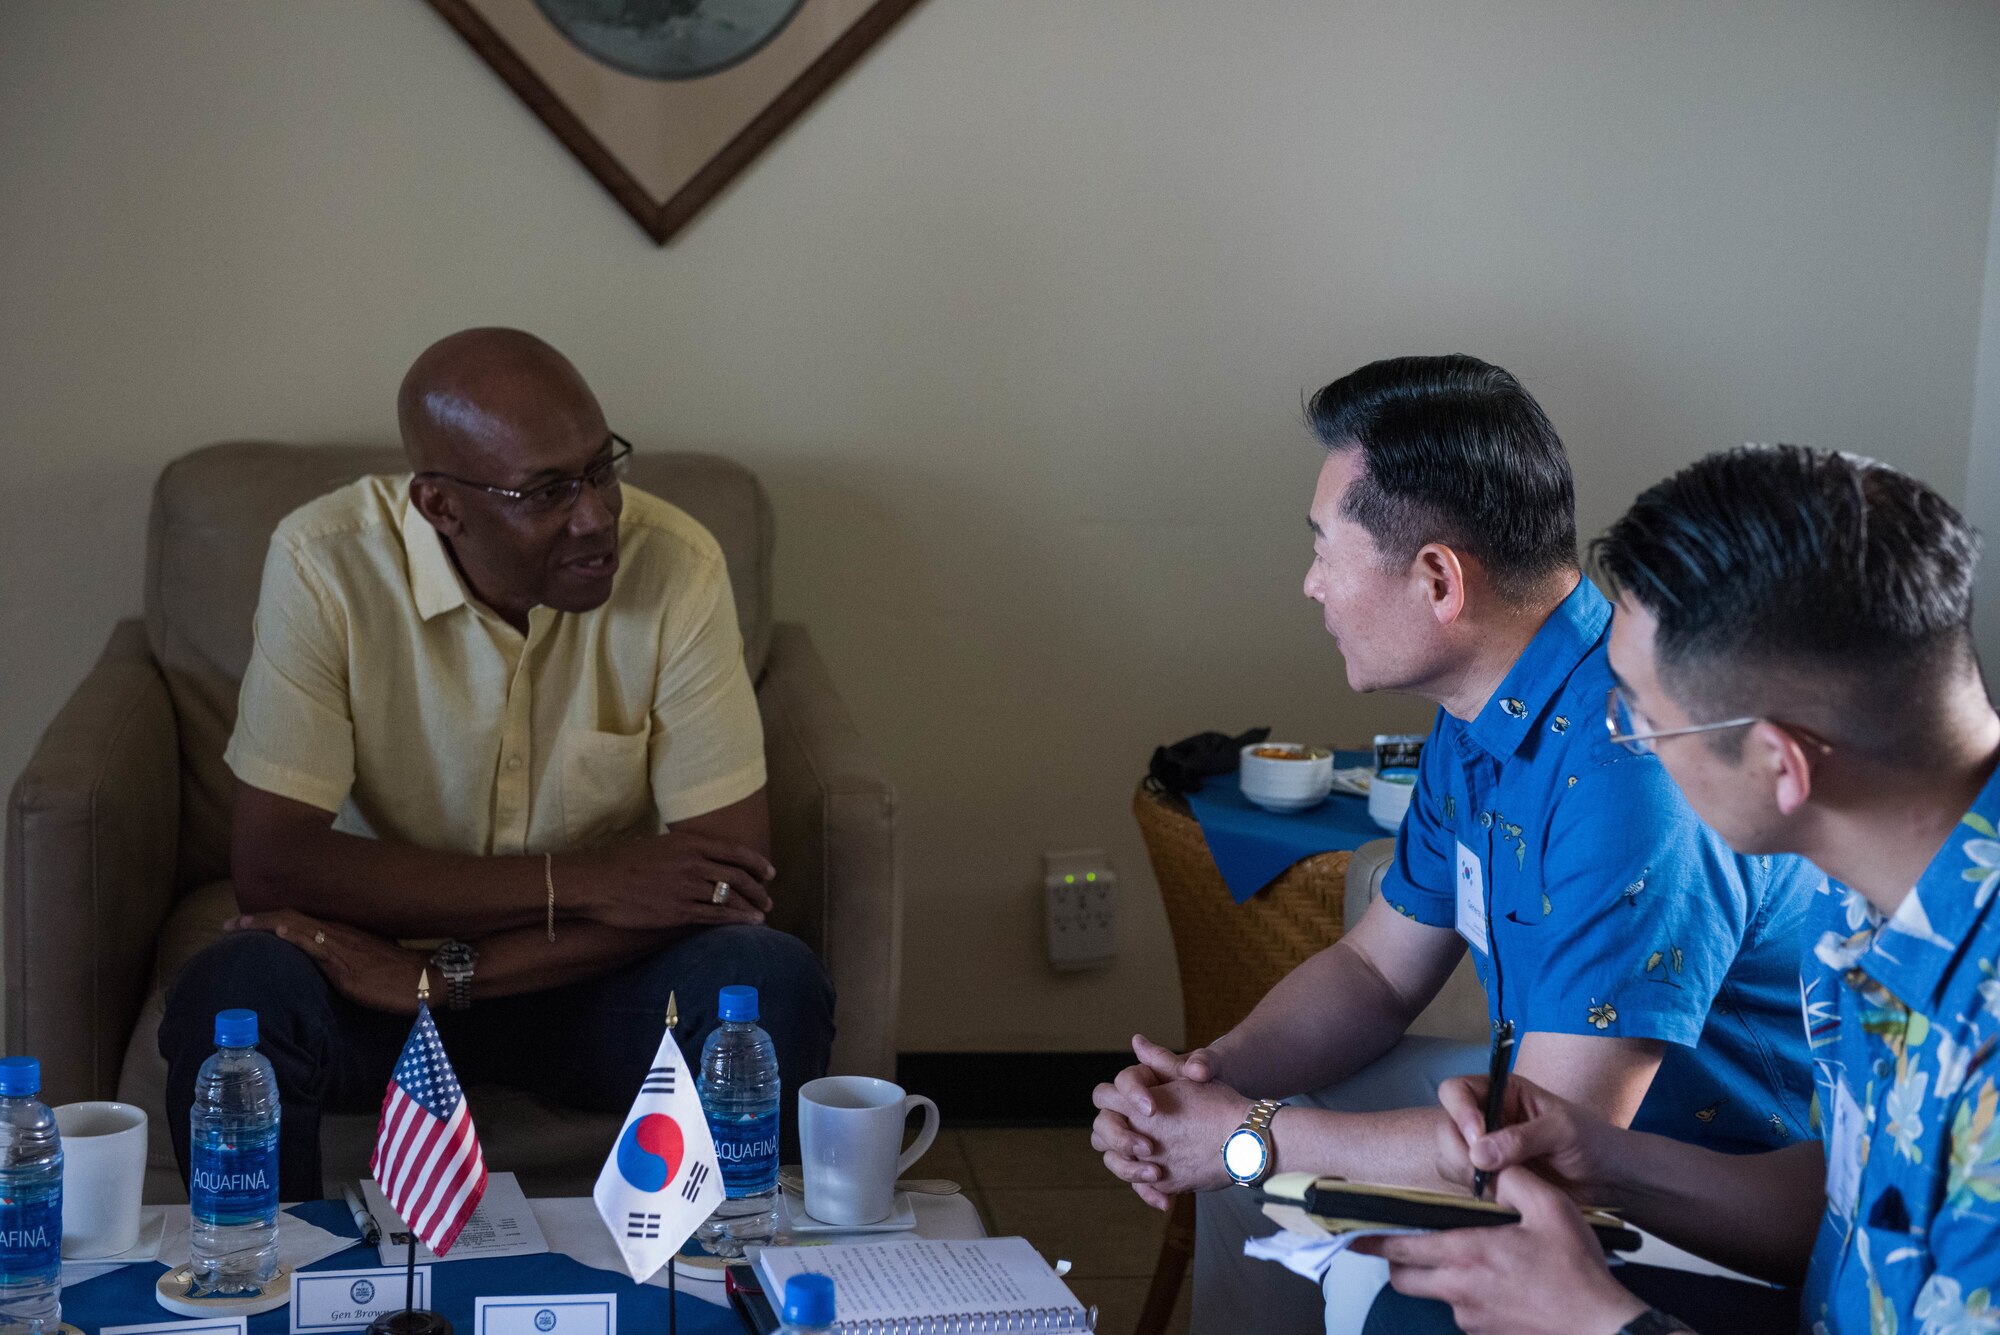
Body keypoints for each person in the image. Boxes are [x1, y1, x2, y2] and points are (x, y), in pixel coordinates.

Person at [1090, 357, 1820, 1333]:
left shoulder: (1629, 761)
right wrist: (1210, 1081)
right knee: (1254, 1116)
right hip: (1549, 1116)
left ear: (1437, 577)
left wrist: (1245, 1138)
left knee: (1274, 1165)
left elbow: (1552, 1134)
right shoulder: (1479, 715)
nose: (1308, 586)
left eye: (1323, 549)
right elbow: (1373, 973)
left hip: (1701, 1199)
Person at [158, 328, 834, 1199]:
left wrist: (440, 977)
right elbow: (273, 863)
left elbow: (724, 885)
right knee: (232, 994)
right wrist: (580, 879)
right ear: (441, 506)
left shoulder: (678, 564)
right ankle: (265, 1291)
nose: (597, 514)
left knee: (768, 979)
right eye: (548, 490)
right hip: (372, 977)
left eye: (602, 468)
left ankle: (723, 1286)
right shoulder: (324, 562)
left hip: (597, 978)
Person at [1359, 443, 2000, 1335]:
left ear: (1780, 762)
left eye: (1642, 717)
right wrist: (1607, 1160)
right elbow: (1850, 1212)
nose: (1622, 738)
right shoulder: (1869, 894)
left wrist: (1596, 1319)